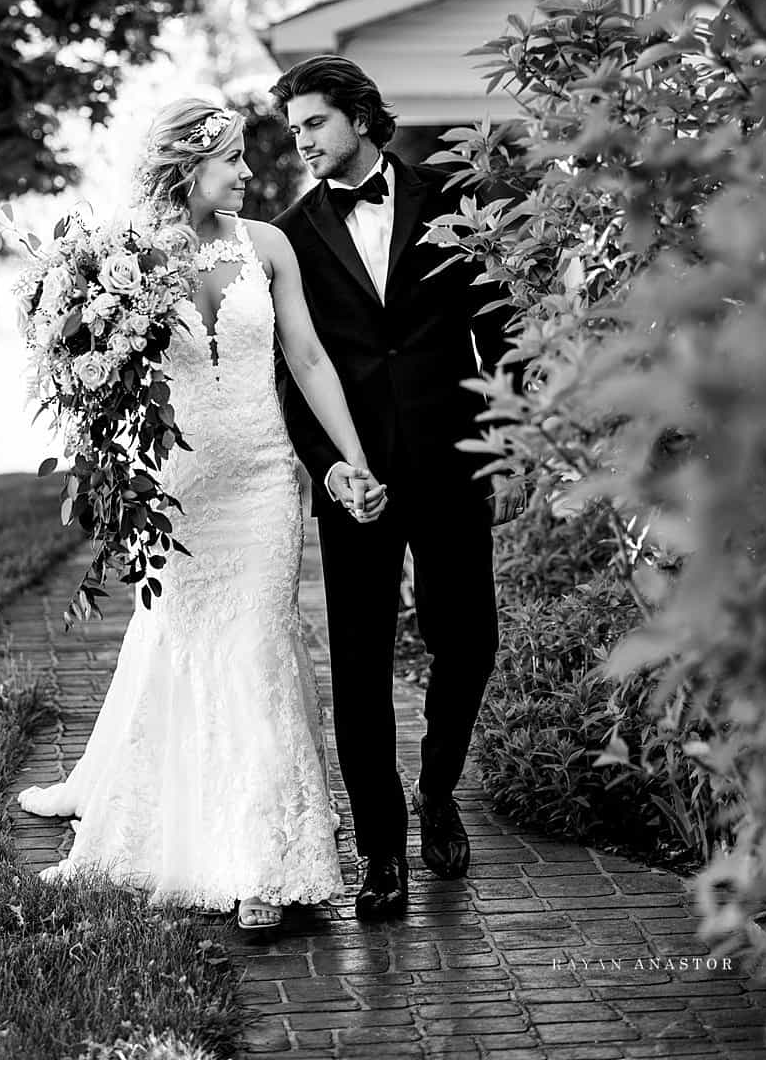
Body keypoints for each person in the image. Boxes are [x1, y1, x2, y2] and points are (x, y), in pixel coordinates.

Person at [17, 99, 386, 934]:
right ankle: (193, 825)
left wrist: (351, 461)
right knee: (189, 651)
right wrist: (106, 462)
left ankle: (268, 863)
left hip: (261, 481)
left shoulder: (270, 247)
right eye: (231, 158)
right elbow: (92, 381)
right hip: (177, 490)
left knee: (257, 646)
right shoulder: (123, 259)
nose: (251, 172)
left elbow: (309, 356)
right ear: (187, 163)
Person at [270, 55, 515, 921]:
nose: (301, 141)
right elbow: (291, 374)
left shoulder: (452, 202)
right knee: (359, 665)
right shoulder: (290, 235)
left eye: (313, 124)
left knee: (469, 638)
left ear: (363, 118)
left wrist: (512, 432)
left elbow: (500, 332)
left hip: (452, 462)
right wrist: (331, 469)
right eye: (294, 128)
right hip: (356, 481)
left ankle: (438, 789)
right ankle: (381, 854)